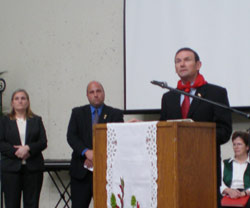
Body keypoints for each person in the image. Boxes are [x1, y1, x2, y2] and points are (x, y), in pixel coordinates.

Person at [160, 47, 232, 206]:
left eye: (187, 60)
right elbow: (162, 131)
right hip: (173, 167)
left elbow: (225, 130)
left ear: (198, 65)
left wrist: (196, 136)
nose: (182, 64)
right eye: (178, 61)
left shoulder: (215, 94)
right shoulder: (168, 97)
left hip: (204, 167)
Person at [67, 81, 124, 208]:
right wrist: (86, 152)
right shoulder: (77, 113)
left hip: (106, 172)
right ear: (87, 96)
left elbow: (116, 139)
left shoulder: (115, 114)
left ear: (103, 94)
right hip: (81, 171)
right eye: (92, 92)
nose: (96, 95)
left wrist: (96, 156)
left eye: (98, 91)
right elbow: (71, 137)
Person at [0, 89, 47, 208]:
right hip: (11, 169)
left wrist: (28, 148)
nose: (20, 101)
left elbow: (43, 142)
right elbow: (1, 143)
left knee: (32, 204)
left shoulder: (36, 120)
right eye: (16, 99)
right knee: (11, 204)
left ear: (28, 102)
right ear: (12, 103)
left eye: (23, 98)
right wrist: (17, 151)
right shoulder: (4, 121)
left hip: (33, 168)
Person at [220, 131, 250, 208]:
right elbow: (218, 182)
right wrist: (227, 190)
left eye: (239, 144)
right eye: (234, 144)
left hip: (247, 195)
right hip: (228, 194)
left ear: (247, 147)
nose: (236, 147)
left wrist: (246, 193)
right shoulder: (224, 163)